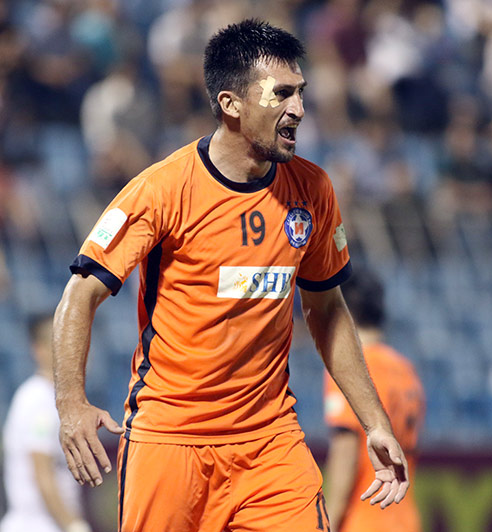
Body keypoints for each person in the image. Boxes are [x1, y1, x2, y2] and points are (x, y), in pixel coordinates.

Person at [52, 19, 409, 532]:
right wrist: (71, 405)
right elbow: (80, 294)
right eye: (281, 94)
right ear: (231, 104)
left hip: (270, 441)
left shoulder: (312, 190)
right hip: (171, 439)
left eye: (301, 92)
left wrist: (374, 422)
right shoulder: (162, 190)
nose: (299, 109)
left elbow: (327, 309)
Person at [324, 268, 425, 532]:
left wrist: (328, 522)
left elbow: (346, 450)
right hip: (404, 518)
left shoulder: (351, 368)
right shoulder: (406, 370)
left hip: (364, 518)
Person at [1, 314, 92, 532]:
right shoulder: (37, 399)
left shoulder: (54, 398)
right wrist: (73, 525)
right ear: (39, 349)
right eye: (61, 342)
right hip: (36, 525)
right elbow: (42, 472)